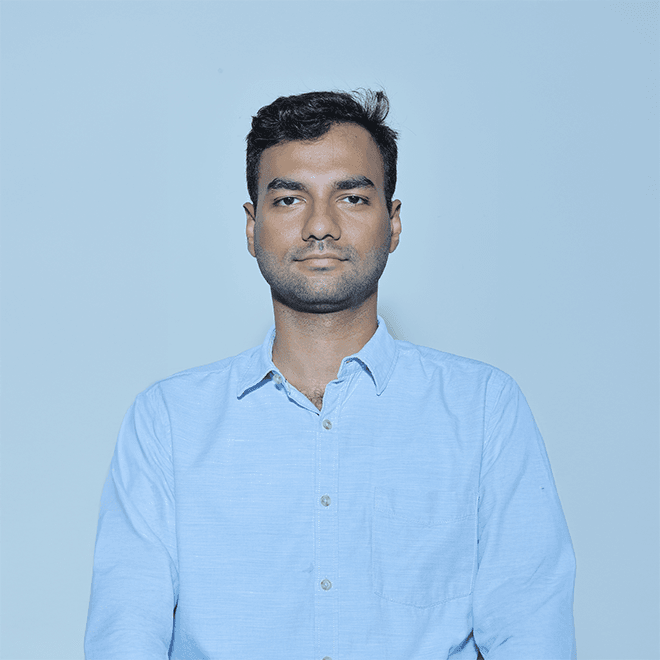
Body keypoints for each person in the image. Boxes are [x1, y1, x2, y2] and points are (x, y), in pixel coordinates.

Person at [85, 90, 577, 660]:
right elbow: (125, 637)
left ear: (393, 223)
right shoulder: (168, 422)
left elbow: (531, 632)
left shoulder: (483, 409)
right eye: (289, 199)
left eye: (353, 198)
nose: (321, 226)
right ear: (252, 227)